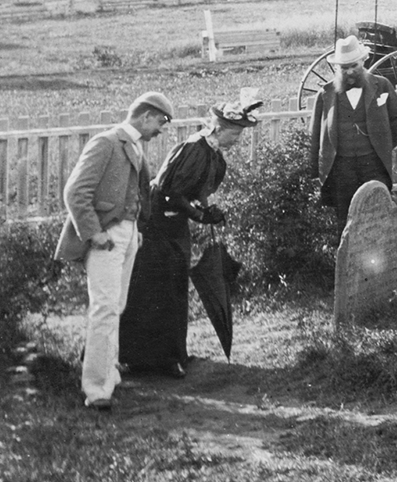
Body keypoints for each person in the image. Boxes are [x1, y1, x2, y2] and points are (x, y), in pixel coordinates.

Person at [118, 90, 261, 379]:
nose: (238, 140)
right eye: (235, 134)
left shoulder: (213, 154)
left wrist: (209, 209)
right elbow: (170, 192)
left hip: (174, 223)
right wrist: (199, 215)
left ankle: (173, 354)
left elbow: (198, 190)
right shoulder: (195, 148)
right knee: (156, 288)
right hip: (157, 223)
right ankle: (146, 359)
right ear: (219, 130)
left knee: (175, 285)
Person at [55, 91, 172, 410]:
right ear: (145, 116)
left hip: (127, 235)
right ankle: (95, 390)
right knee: (104, 308)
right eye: (160, 121)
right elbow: (75, 192)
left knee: (115, 306)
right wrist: (94, 234)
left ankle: (110, 374)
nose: (161, 129)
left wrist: (135, 231)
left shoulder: (135, 145)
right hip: (105, 236)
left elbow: (137, 193)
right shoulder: (107, 142)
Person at [310, 35, 397, 228]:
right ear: (337, 68)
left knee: (376, 213)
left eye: (353, 65)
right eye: (343, 67)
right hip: (341, 167)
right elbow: (316, 135)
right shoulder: (326, 93)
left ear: (363, 61)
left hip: (373, 164)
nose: (349, 72)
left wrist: (385, 143)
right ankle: (346, 255)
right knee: (345, 217)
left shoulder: (381, 85)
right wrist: (316, 172)